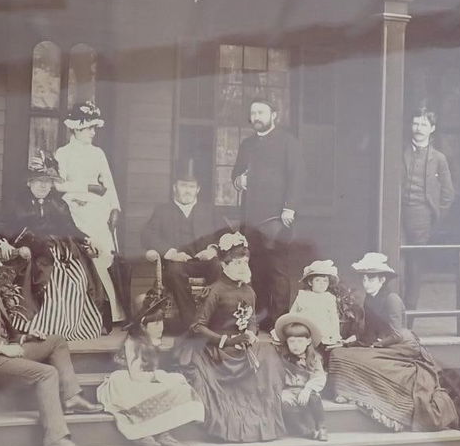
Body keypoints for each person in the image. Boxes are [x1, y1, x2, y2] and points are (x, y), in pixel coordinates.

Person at [0, 238, 102, 446]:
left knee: (56, 341)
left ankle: (72, 396)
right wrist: (2, 347)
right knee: (46, 373)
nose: (0, 263)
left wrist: (24, 337)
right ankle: (55, 439)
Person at [327, 252, 459, 433]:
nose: (366, 283)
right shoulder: (369, 299)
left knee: (369, 361)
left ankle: (367, 396)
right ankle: (348, 391)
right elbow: (369, 331)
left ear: (382, 280)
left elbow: (396, 334)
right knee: (339, 354)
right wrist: (351, 341)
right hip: (380, 342)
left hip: (400, 345)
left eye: (371, 278)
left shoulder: (392, 300)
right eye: (364, 278)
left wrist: (376, 346)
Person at [178, 232, 285, 443]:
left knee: (269, 355)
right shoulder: (215, 291)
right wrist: (226, 341)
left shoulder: (249, 291)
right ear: (224, 265)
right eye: (236, 263)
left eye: (245, 262)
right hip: (218, 348)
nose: (242, 267)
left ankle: (264, 419)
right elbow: (197, 327)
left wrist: (252, 334)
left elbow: (252, 319)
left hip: (242, 346)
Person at [0, 153, 106, 341]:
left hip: (62, 251)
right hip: (32, 253)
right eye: (39, 181)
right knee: (52, 281)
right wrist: (4, 242)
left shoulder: (58, 203)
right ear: (29, 183)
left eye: (48, 181)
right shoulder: (16, 203)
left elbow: (71, 228)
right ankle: (44, 327)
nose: (43, 186)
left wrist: (86, 239)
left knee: (79, 278)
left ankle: (73, 327)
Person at [96, 288, 203, 446]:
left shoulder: (154, 341)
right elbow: (137, 375)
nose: (161, 327)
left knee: (178, 388)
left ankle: (164, 432)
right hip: (130, 380)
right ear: (143, 326)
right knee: (143, 393)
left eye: (161, 322)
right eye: (155, 323)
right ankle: (142, 432)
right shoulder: (133, 343)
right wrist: (161, 377)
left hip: (146, 379)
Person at [231, 96, 304, 329]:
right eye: (253, 113)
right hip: (251, 219)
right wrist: (238, 180)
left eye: (261, 113)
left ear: (274, 115)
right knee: (256, 269)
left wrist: (289, 208)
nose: (256, 118)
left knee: (278, 270)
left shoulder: (288, 143)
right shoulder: (247, 144)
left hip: (277, 217)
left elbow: (297, 177)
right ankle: (260, 319)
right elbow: (236, 174)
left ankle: (279, 321)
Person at [53, 101, 126, 325]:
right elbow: (58, 185)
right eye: (89, 128)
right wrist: (87, 187)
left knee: (106, 256)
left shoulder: (98, 153)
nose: (93, 133)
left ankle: (113, 312)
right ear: (76, 127)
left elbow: (109, 183)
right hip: (76, 210)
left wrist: (115, 207)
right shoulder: (62, 153)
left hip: (99, 210)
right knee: (86, 255)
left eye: (94, 128)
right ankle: (86, 312)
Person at [140, 161, 225, 332]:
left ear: (198, 190)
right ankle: (192, 322)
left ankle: (213, 319)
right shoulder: (163, 210)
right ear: (175, 188)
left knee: (217, 267)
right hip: (178, 263)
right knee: (174, 272)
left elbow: (226, 234)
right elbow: (147, 235)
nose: (187, 190)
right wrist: (170, 252)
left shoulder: (209, 210)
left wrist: (213, 249)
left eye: (191, 187)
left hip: (204, 262)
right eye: (183, 186)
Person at [402, 106, 455, 306]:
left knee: (415, 267)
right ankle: (394, 315)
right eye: (416, 123)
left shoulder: (439, 158)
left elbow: (448, 193)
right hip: (398, 214)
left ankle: (410, 315)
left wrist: (435, 217)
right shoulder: (400, 152)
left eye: (424, 124)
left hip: (421, 217)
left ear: (432, 128)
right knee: (395, 264)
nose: (419, 128)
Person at [270, 313, 329, 441]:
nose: (296, 345)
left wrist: (307, 389)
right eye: (292, 341)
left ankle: (321, 427)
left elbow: (319, 377)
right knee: (283, 402)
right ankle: (305, 431)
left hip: (306, 390)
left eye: (300, 341)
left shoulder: (314, 358)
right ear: (286, 342)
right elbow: (275, 375)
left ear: (308, 341)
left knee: (315, 397)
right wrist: (281, 391)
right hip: (288, 391)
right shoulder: (282, 357)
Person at [286, 259, 349, 348]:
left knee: (323, 351)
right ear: (310, 282)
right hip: (306, 331)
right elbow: (292, 314)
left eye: (325, 281)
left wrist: (335, 334)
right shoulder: (303, 296)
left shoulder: (329, 298)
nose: (321, 284)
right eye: (317, 280)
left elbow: (333, 318)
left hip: (324, 332)